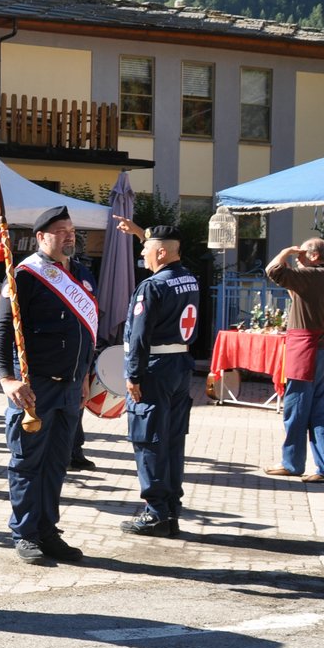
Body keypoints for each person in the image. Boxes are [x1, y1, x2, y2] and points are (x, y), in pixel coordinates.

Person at [0, 205, 97, 565]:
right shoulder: (23, 275)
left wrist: (84, 374)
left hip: (69, 388)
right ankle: (25, 532)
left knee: (56, 463)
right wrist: (8, 379)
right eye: (61, 230)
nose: (70, 235)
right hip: (35, 386)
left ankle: (48, 530)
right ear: (41, 237)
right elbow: (2, 330)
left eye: (71, 229)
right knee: (27, 462)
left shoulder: (82, 274)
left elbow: (85, 332)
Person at [119, 225, 200, 536]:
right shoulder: (188, 278)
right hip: (180, 365)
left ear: (162, 252)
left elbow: (139, 335)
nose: (142, 253)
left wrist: (133, 375)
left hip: (154, 368)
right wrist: (143, 233)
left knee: (149, 439)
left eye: (146, 248)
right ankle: (171, 511)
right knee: (172, 440)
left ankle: (155, 513)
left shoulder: (153, 286)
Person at [264, 237, 324, 482]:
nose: (297, 256)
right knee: (318, 411)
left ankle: (293, 463)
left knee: (296, 409)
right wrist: (299, 264)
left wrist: (285, 251)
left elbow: (273, 270)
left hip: (308, 349)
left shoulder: (314, 275)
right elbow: (296, 292)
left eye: (302, 253)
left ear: (313, 256)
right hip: (323, 348)